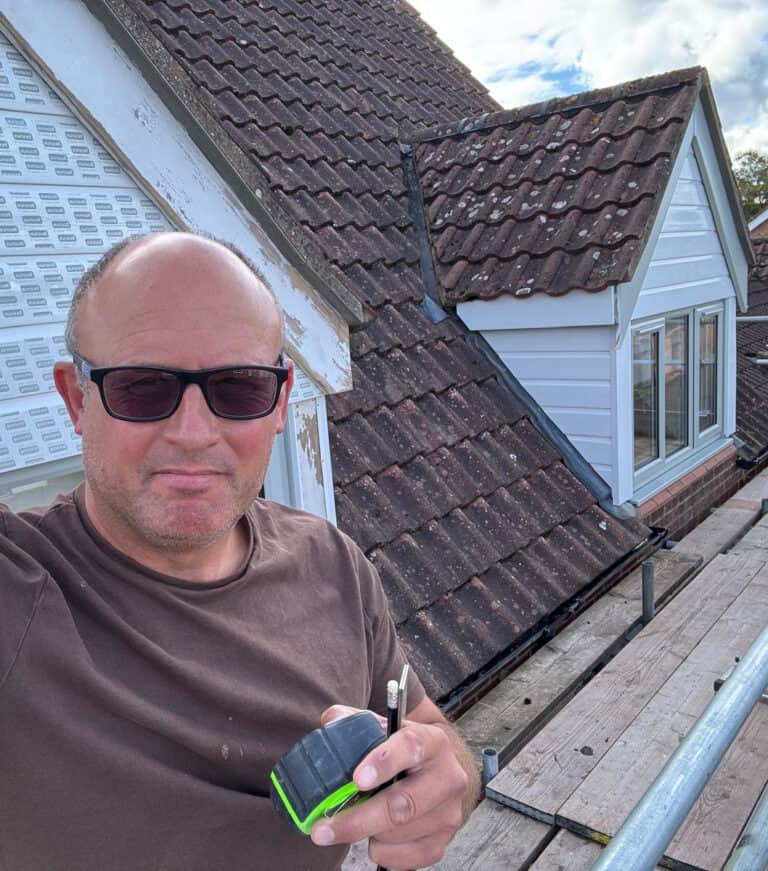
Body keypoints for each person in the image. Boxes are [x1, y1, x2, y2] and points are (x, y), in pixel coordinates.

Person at [0, 232, 479, 871]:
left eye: (239, 388)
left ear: (279, 403)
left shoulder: (334, 564)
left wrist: (450, 781)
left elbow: (427, 729)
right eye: (142, 388)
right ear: (75, 400)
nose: (194, 434)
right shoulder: (20, 586)